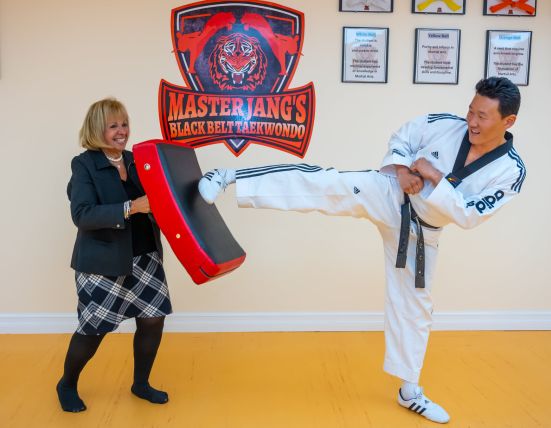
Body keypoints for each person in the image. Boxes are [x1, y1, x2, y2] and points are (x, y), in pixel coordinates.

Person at [197, 77, 526, 424]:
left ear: (508, 121)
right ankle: (228, 176)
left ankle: (409, 391)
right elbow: (403, 138)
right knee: (324, 183)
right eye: (471, 111)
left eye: (483, 116)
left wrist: (432, 174)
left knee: (415, 306)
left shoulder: (511, 170)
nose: (472, 122)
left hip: (422, 230)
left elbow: (469, 214)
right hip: (389, 193)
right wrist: (401, 170)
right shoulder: (445, 124)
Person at [57, 98, 173, 412]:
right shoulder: (84, 165)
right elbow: (82, 214)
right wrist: (131, 207)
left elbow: (159, 201)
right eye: (113, 126)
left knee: (153, 321)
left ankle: (141, 383)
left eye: (124, 124)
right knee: (94, 328)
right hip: (102, 262)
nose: (122, 131)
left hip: (145, 257)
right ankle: (67, 383)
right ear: (97, 129)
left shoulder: (137, 160)